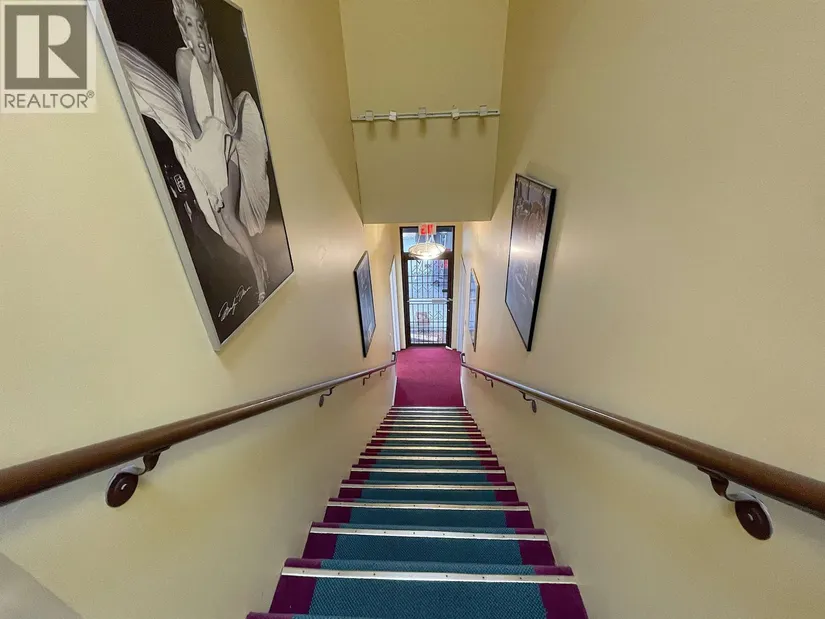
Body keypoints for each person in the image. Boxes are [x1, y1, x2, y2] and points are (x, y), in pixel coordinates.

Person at [172, 0, 268, 303]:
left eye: (200, 24)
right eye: (190, 24)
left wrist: (216, 72)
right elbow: (192, 120)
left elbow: (231, 124)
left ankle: (257, 271)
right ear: (183, 30)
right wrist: (205, 157)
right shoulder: (183, 59)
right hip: (207, 152)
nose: (198, 31)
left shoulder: (214, 65)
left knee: (228, 214)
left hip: (227, 149)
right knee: (224, 231)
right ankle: (258, 261)